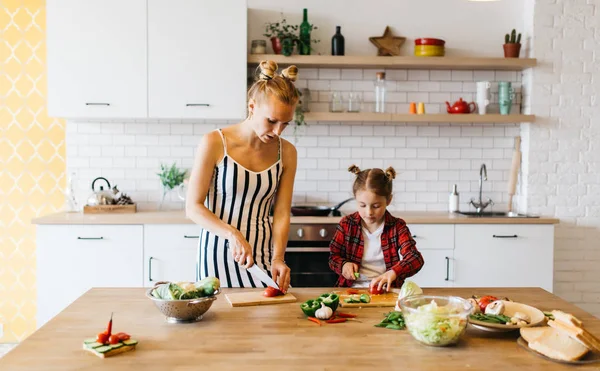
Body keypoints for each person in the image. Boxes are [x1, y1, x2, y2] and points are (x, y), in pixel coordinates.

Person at [185, 60, 299, 292]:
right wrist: (232, 234)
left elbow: (281, 213)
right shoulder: (215, 143)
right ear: (252, 107)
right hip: (217, 254)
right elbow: (193, 207)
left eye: (285, 124)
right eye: (272, 121)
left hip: (264, 257)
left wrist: (278, 258)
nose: (278, 131)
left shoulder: (286, 152)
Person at [329, 165, 424, 291]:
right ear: (356, 199)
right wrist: (343, 265)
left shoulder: (397, 226)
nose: (369, 212)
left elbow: (415, 258)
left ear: (388, 200)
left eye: (376, 206)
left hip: (387, 289)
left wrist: (394, 272)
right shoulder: (346, 224)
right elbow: (333, 257)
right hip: (352, 289)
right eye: (362, 205)